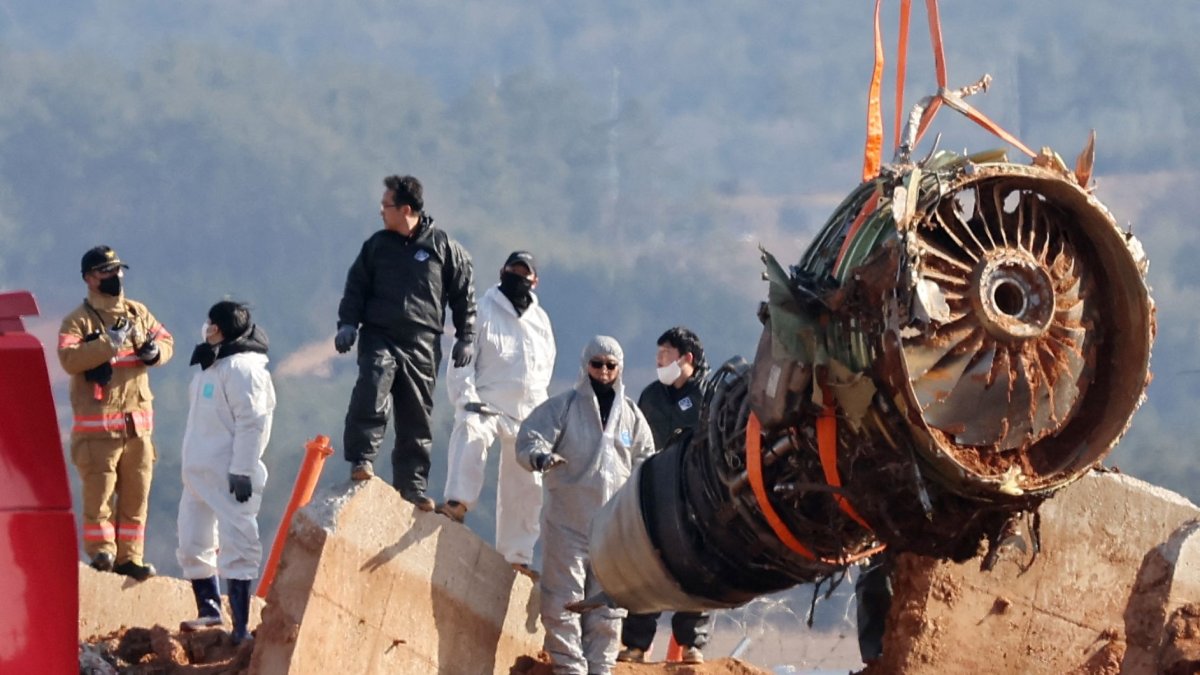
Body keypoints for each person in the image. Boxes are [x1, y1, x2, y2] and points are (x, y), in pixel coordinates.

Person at [335, 174, 476, 510]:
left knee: (416, 414)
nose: (381, 212)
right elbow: (356, 288)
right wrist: (346, 324)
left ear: (406, 209)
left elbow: (463, 294)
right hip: (379, 334)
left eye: (387, 206)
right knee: (372, 387)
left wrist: (466, 335)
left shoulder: (443, 247)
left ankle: (411, 487)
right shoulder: (376, 247)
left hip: (422, 341)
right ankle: (362, 461)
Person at [517, 336, 655, 675]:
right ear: (585, 365)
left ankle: (600, 668)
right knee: (562, 600)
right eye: (597, 364)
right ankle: (571, 669)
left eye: (611, 365)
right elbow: (530, 436)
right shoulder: (563, 406)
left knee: (607, 608)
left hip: (612, 532)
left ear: (619, 368)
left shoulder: (632, 417)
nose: (604, 371)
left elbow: (646, 459)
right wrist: (540, 457)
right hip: (568, 525)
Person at [57, 245, 174, 581]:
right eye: (107, 272)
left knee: (136, 500)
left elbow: (167, 343)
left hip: (137, 429)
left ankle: (130, 558)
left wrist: (153, 352)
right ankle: (102, 554)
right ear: (90, 279)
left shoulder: (138, 313)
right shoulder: (77, 321)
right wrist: (107, 343)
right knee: (100, 499)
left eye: (118, 270)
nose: (116, 277)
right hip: (98, 433)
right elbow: (69, 359)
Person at [437, 251, 556, 578]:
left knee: (527, 479)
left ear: (535, 280)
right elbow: (462, 361)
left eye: (524, 272)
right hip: (486, 403)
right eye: (513, 270)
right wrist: (466, 397)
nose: (518, 276)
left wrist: (541, 419)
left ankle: (517, 554)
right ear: (502, 271)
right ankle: (457, 503)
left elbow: (543, 372)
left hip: (525, 413)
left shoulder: (541, 322)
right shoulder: (482, 311)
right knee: (471, 432)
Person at [176, 301, 276, 645]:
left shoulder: (243, 370)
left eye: (210, 323)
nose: (206, 327)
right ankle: (209, 610)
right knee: (193, 541)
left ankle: (240, 627)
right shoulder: (212, 366)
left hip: (229, 473)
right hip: (199, 473)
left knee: (239, 543)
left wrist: (243, 470)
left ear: (219, 327)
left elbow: (253, 422)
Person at [618, 327, 712, 665]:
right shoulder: (651, 396)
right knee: (648, 568)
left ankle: (691, 646)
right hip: (656, 492)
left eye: (666, 355)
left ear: (687, 358)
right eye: (658, 354)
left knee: (696, 569)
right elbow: (632, 437)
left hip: (698, 496)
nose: (659, 361)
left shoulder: (710, 394)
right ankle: (636, 645)